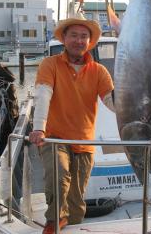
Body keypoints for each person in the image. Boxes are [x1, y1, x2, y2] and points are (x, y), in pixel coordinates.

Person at [29, 13, 114, 234]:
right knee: (59, 173)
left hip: (84, 141)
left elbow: (111, 102)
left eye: (83, 36)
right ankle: (54, 221)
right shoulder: (50, 64)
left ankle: (72, 225)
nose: (78, 40)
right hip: (53, 137)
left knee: (76, 203)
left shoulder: (100, 71)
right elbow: (43, 94)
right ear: (64, 39)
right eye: (73, 35)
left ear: (89, 41)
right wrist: (38, 127)